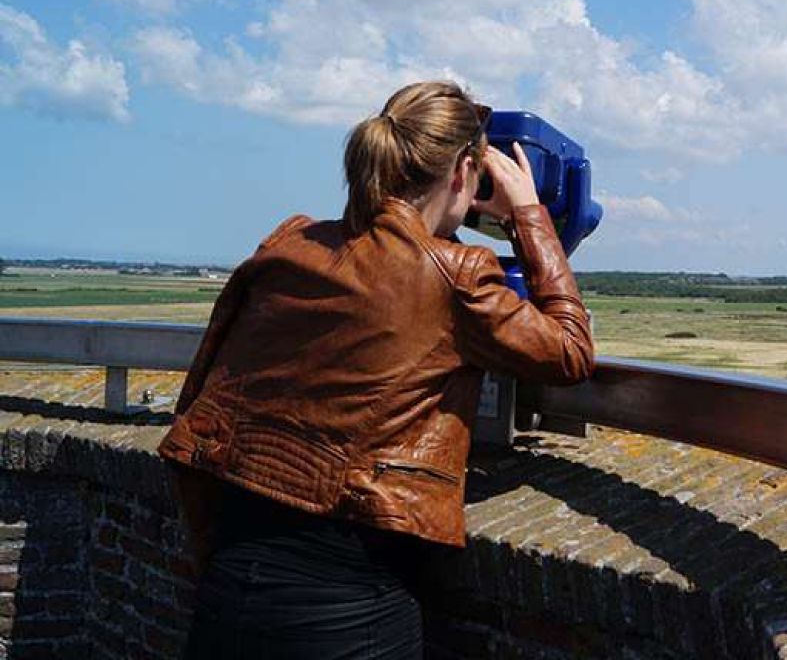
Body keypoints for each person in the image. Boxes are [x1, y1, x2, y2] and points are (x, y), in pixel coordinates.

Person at [157, 81, 595, 659]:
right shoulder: (457, 273)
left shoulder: (292, 242)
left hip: (232, 572)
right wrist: (529, 218)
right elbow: (570, 351)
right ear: (464, 173)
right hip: (349, 597)